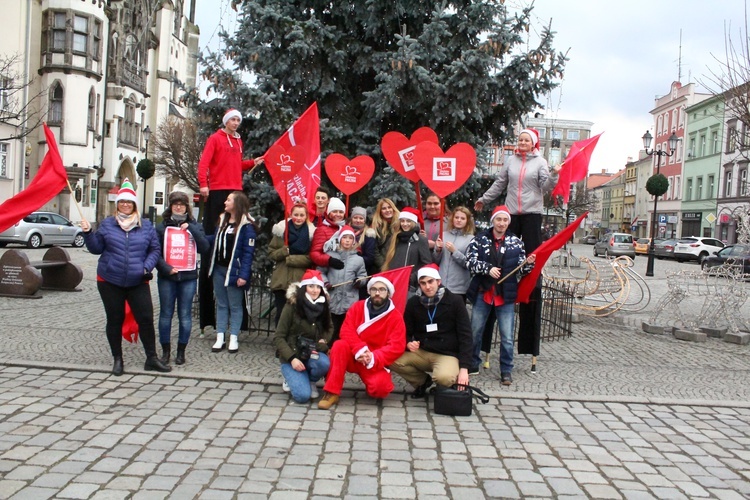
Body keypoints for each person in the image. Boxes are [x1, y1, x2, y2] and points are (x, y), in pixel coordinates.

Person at [473, 128, 559, 365]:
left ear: (533, 144)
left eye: (526, 140)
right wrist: (485, 199)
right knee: (503, 255)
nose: (521, 143)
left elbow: (546, 186)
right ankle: (502, 283)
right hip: (511, 213)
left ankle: (529, 284)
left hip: (531, 214)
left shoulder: (540, 162)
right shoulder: (510, 161)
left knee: (531, 260)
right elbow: (500, 183)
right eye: (519, 139)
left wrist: (554, 174)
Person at [80, 178, 171, 376]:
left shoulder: (146, 225)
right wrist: (88, 233)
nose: (125, 205)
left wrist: (145, 267)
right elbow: (96, 249)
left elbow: (155, 250)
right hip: (110, 279)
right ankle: (118, 359)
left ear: (134, 205)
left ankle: (151, 358)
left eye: (129, 202)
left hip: (138, 280)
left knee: (146, 318)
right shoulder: (107, 224)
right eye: (122, 202)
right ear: (117, 204)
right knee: (115, 319)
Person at [197, 109, 264, 333]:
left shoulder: (238, 141)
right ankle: (209, 314)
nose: (236, 123)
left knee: (239, 234)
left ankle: (237, 322)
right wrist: (203, 184)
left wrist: (253, 162)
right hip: (217, 191)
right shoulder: (215, 138)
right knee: (215, 234)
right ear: (226, 121)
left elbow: (236, 165)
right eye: (233, 120)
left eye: (238, 120)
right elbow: (204, 163)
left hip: (236, 189)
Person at [466, 206, 536, 385]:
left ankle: (506, 370)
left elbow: (521, 270)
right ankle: (473, 363)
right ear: (493, 221)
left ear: (508, 223)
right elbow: (470, 262)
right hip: (484, 292)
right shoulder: (480, 239)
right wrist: (487, 269)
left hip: (505, 296)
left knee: (506, 337)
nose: (502, 223)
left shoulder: (516, 242)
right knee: (475, 331)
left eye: (505, 220)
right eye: (499, 219)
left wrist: (528, 264)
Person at [318, 275, 406, 410]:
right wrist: (360, 349)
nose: (377, 293)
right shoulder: (358, 307)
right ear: (369, 291)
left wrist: (373, 357)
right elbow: (346, 330)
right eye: (374, 289)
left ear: (388, 293)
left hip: (373, 361)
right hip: (353, 354)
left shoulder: (395, 317)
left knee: (380, 389)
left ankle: (370, 383)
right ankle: (331, 391)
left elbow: (397, 346)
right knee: (339, 345)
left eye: (382, 289)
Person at [391, 264, 473, 398]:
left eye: (430, 282)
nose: (427, 287)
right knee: (390, 358)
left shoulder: (455, 301)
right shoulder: (414, 302)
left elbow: (466, 336)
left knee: (444, 377)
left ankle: (444, 385)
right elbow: (404, 330)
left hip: (447, 353)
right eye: (423, 283)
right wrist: (408, 343)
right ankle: (422, 382)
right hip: (422, 351)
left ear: (438, 282)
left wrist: (464, 368)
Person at [155, 191, 211, 366]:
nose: (178, 207)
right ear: (170, 206)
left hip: (188, 276)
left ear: (187, 207)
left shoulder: (196, 225)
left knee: (185, 315)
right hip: (167, 276)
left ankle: (181, 351)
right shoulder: (162, 226)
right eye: (175, 204)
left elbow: (204, 247)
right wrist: (166, 268)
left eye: (182, 204)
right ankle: (165, 351)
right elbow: (155, 252)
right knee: (165, 314)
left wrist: (192, 229)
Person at [273, 269, 333, 404]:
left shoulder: (323, 306)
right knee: (302, 396)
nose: (314, 290)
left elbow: (329, 327)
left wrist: (324, 339)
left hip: (312, 352)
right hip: (293, 355)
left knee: (324, 363)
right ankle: (290, 378)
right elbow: (279, 337)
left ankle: (311, 380)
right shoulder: (291, 306)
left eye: (318, 287)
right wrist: (292, 358)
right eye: (311, 286)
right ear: (304, 287)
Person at [207, 191, 256, 354]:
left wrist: (243, 275)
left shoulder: (247, 225)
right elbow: (214, 241)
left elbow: (248, 253)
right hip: (219, 269)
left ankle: (233, 336)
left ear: (237, 204)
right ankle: (220, 336)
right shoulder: (223, 220)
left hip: (234, 271)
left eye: (228, 200)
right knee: (221, 303)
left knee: (235, 305)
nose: (225, 202)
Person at [269, 202, 316, 325]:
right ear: (291, 215)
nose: (299, 218)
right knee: (280, 312)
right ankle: (279, 338)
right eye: (296, 215)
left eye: (302, 215)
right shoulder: (281, 231)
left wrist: (291, 259)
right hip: (281, 278)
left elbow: (311, 258)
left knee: (296, 313)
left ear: (306, 216)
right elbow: (271, 253)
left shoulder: (311, 234)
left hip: (299, 279)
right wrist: (283, 252)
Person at [319, 225, 367, 342]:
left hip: (349, 300)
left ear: (353, 241)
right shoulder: (330, 255)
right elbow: (320, 272)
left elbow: (363, 275)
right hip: (333, 297)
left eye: (350, 238)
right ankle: (328, 348)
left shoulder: (358, 259)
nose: (347, 240)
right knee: (331, 327)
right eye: (344, 237)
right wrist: (325, 282)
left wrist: (359, 281)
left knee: (345, 329)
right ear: (339, 239)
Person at [381, 207, 432, 295]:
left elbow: (426, 264)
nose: (405, 224)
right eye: (402, 221)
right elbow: (387, 259)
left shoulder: (420, 240)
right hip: (392, 283)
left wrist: (412, 277)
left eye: (408, 221)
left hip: (410, 287)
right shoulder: (394, 238)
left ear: (413, 222)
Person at [433, 206, 475, 299]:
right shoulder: (443, 235)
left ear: (467, 221)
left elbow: (468, 264)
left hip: (459, 288)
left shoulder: (471, 239)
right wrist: (438, 250)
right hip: (441, 285)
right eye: (457, 217)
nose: (459, 220)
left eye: (462, 218)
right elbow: (436, 260)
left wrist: (454, 251)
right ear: (452, 219)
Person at [309, 197, 347, 269]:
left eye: (341, 212)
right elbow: (314, 253)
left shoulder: (346, 229)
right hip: (326, 269)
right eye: (334, 211)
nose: (338, 214)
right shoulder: (322, 230)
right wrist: (329, 260)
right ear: (329, 213)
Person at [371, 198, 400, 271]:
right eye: (384, 208)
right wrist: (384, 266)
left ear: (393, 208)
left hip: (399, 264)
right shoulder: (376, 227)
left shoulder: (401, 224)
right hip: (383, 267)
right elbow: (374, 251)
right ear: (380, 211)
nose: (387, 210)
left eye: (389, 207)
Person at [349, 206, 378, 277]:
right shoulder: (345, 231)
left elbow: (369, 259)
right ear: (351, 219)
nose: (358, 220)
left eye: (361, 218)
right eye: (355, 217)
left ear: (364, 220)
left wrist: (351, 259)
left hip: (361, 271)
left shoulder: (368, 234)